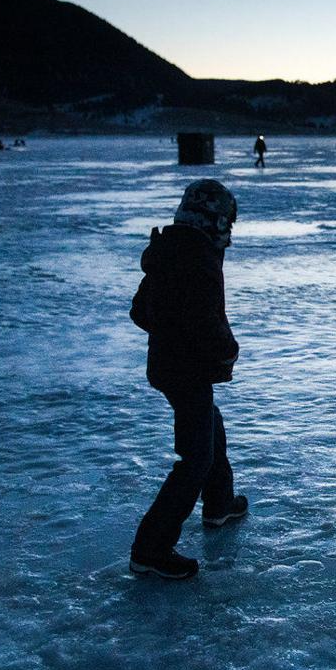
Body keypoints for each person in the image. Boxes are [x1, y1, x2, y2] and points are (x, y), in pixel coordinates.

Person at [128, 179, 248, 578]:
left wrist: (170, 329)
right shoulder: (196, 258)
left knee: (210, 426)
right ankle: (151, 548)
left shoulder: (173, 250)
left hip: (171, 366)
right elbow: (203, 321)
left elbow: (141, 311)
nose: (229, 234)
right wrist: (226, 349)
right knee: (195, 458)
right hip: (185, 370)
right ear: (213, 221)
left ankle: (218, 505)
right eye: (227, 224)